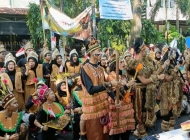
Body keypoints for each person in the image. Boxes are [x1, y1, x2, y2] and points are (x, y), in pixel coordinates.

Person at [80, 38, 122, 140]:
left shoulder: (100, 68)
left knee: (105, 135)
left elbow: (106, 87)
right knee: (96, 135)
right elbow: (90, 89)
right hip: (92, 108)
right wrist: (109, 83)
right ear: (91, 52)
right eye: (98, 51)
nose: (100, 53)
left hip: (103, 106)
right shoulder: (85, 68)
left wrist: (115, 98)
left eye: (100, 50)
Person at [126, 38, 166, 138]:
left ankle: (140, 134)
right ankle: (142, 136)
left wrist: (163, 66)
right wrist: (157, 77)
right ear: (141, 49)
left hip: (148, 92)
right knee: (141, 119)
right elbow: (143, 80)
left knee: (146, 119)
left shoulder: (146, 61)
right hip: (139, 93)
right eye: (145, 48)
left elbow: (154, 73)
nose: (147, 49)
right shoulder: (133, 63)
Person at [107, 54, 136, 140]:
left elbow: (127, 90)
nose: (124, 63)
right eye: (121, 62)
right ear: (115, 64)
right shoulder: (111, 76)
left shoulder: (124, 74)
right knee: (116, 131)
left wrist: (131, 87)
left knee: (126, 131)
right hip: (117, 106)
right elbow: (115, 93)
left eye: (124, 61)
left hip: (126, 105)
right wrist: (127, 85)